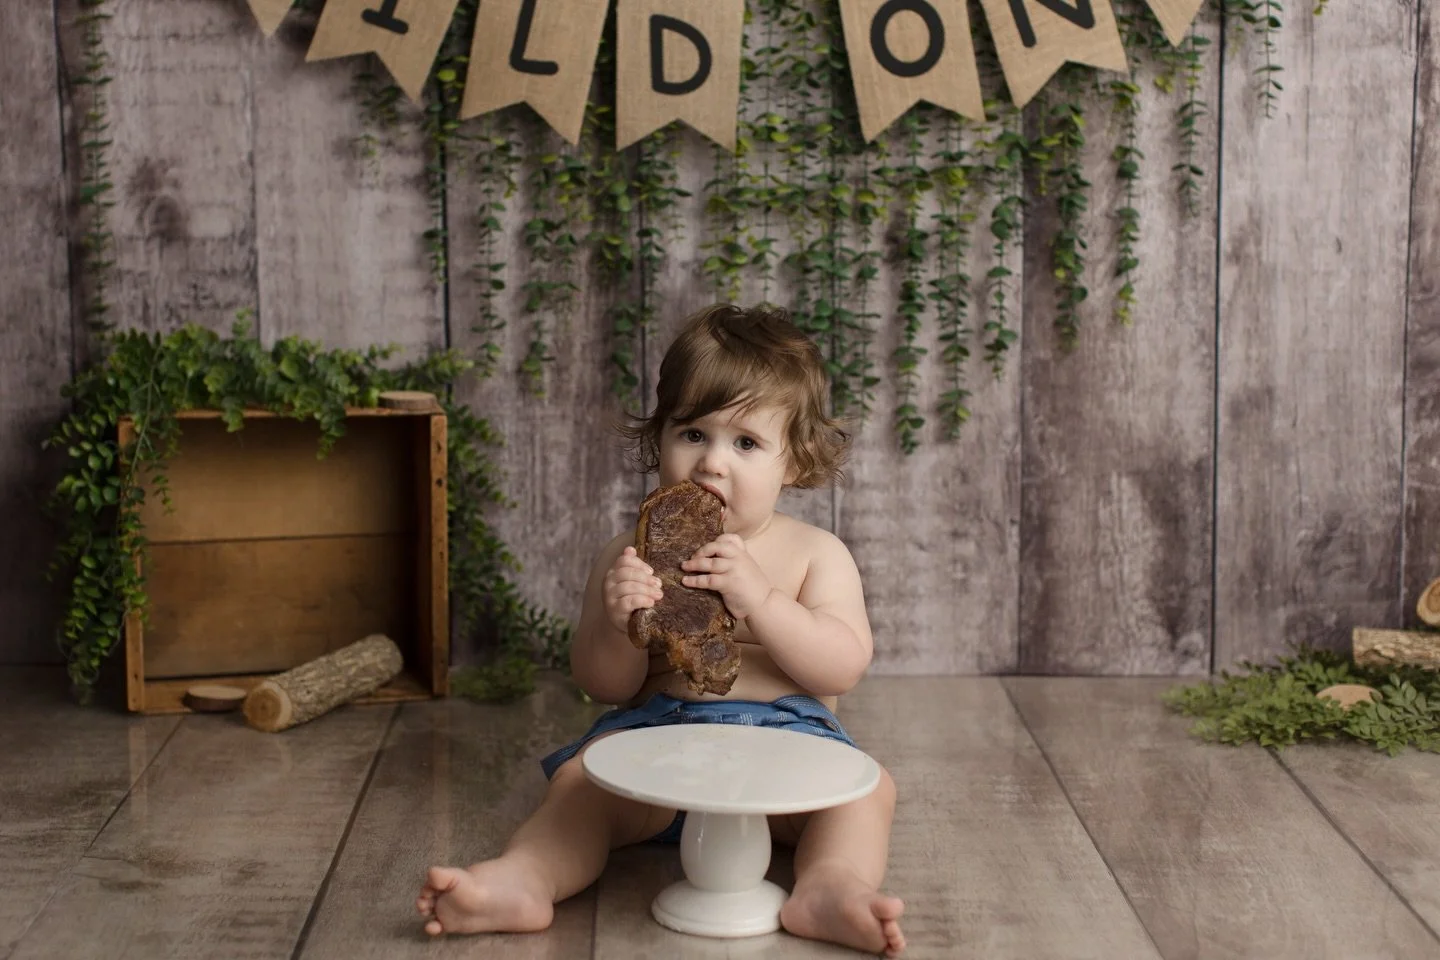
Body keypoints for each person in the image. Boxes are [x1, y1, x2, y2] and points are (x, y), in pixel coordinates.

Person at [416, 303, 905, 957]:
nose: (712, 463)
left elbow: (841, 666)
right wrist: (621, 624)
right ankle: (524, 879)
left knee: (865, 792)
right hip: (659, 740)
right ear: (660, 437)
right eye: (693, 433)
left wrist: (760, 599)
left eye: (746, 443)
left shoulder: (815, 554)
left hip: (789, 751)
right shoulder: (632, 552)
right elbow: (604, 684)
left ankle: (829, 887)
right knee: (581, 785)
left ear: (795, 461)